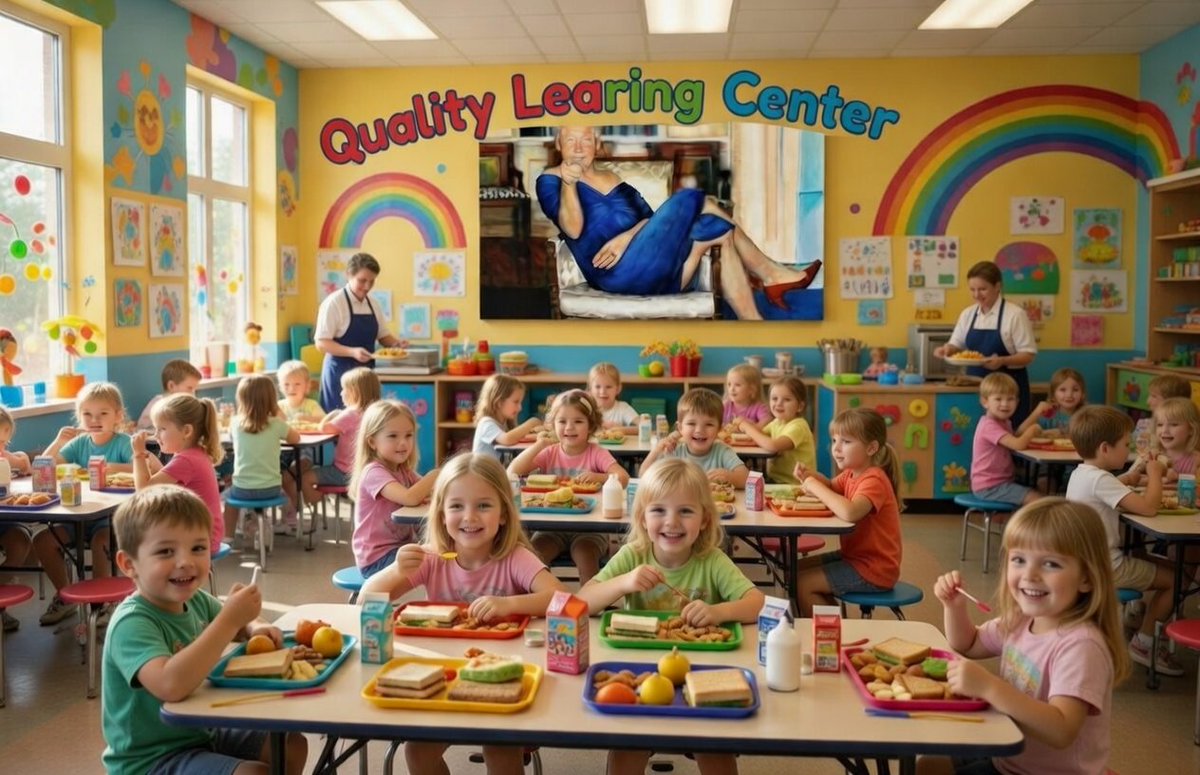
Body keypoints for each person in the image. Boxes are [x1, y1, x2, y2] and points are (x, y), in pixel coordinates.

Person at [358, 453, 565, 775]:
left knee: (501, 749)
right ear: (440, 515)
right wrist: (397, 570)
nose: (470, 517)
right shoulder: (432, 558)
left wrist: (509, 604)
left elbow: (561, 597)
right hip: (441, 678)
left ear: (504, 515)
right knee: (418, 753)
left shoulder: (514, 557)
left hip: (504, 678)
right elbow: (366, 601)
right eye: (456, 506)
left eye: (483, 505)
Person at [101, 486, 306, 775]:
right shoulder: (132, 622)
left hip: (199, 732)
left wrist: (257, 626)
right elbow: (170, 685)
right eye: (165, 551)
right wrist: (229, 620)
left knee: (290, 745)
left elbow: (239, 624)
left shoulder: (193, 599)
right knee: (253, 774)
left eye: (197, 548)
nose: (185, 561)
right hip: (150, 760)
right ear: (128, 564)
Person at [578, 457, 764, 775]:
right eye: (659, 511)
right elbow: (581, 602)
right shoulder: (634, 555)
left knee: (716, 750)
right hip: (640, 670)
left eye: (685, 511)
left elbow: (757, 602)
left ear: (705, 519)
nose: (672, 522)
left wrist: (718, 612)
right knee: (627, 750)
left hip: (704, 668)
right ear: (643, 517)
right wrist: (623, 582)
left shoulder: (712, 560)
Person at [919, 498, 1128, 775]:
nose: (1030, 574)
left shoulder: (1081, 645)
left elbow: (1062, 730)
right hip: (1009, 756)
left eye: (1051, 564)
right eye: (1019, 560)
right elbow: (968, 643)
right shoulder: (1022, 620)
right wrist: (954, 607)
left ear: (1086, 579)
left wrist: (989, 688)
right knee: (927, 761)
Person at [535, 125, 822, 320]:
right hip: (615, 276)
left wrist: (626, 238)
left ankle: (753, 322)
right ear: (559, 144)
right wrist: (569, 185)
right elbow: (572, 229)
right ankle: (771, 275)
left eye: (586, 139)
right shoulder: (550, 180)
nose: (578, 147)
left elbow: (649, 218)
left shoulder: (612, 177)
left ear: (597, 144)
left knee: (715, 226)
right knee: (691, 196)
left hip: (653, 268)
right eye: (570, 139)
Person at [1065, 405, 1180, 676]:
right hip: (1107, 567)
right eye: (1125, 445)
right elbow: (1149, 507)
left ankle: (1137, 615)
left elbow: (1120, 483)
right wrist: (1153, 474)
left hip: (1086, 563)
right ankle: (1144, 641)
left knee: (1150, 559)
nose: (1127, 451)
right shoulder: (1100, 481)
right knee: (1176, 581)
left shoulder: (1084, 474)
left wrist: (1136, 469)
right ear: (1105, 448)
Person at [35, 382, 161, 627]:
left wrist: (113, 467)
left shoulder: (123, 442)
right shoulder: (79, 443)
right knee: (42, 540)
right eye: (87, 414)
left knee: (102, 541)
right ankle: (65, 595)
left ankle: (101, 603)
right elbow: (43, 466)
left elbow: (149, 467)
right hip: (76, 514)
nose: (94, 419)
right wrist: (57, 442)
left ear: (117, 416)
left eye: (103, 413)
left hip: (112, 518)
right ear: (79, 417)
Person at [507, 389, 628, 585]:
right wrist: (540, 445)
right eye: (562, 422)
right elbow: (514, 470)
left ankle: (590, 604)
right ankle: (540, 600)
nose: (569, 427)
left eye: (578, 421)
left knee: (585, 556)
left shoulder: (596, 452)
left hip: (589, 531)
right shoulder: (549, 452)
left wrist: (599, 476)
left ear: (591, 426)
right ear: (553, 425)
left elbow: (623, 477)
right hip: (551, 529)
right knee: (532, 556)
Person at [791, 408, 903, 616]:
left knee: (802, 583)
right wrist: (810, 476)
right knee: (794, 570)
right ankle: (832, 626)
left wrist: (813, 485)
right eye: (834, 441)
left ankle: (830, 639)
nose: (837, 448)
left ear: (871, 448)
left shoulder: (873, 480)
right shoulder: (852, 474)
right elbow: (833, 487)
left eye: (846, 442)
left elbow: (850, 512)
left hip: (875, 568)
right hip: (856, 557)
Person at [935, 260, 1038, 424]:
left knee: (1009, 439)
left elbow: (1028, 355)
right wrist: (946, 349)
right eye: (972, 289)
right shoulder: (968, 314)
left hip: (1007, 392)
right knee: (976, 435)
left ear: (997, 286)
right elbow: (956, 345)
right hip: (975, 387)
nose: (976, 295)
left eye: (982, 289)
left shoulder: (1015, 314)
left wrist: (1002, 361)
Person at [350, 400, 440, 578]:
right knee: (438, 561)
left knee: (446, 552)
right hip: (377, 559)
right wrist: (436, 474)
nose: (403, 443)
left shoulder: (403, 471)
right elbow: (410, 497)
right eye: (393, 436)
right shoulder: (373, 473)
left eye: (408, 435)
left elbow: (429, 492)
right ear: (372, 442)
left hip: (399, 549)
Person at [132, 395, 225, 551]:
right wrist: (150, 461)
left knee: (142, 538)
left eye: (162, 429)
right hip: (204, 533)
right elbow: (165, 480)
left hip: (198, 539)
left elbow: (144, 491)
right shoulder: (193, 453)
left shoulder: (186, 460)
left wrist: (138, 455)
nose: (156, 435)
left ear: (187, 431)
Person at [314, 251, 404, 410]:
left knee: (368, 426)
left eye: (372, 281)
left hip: (366, 379)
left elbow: (383, 336)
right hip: (340, 378)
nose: (367, 286)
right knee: (338, 425)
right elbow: (321, 343)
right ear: (349, 275)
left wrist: (397, 344)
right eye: (362, 281)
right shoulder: (334, 303)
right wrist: (352, 352)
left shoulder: (373, 303)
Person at [288, 367, 380, 515]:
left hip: (344, 472)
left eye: (344, 389)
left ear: (354, 392)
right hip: (366, 469)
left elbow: (324, 428)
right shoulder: (375, 412)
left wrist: (333, 413)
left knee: (304, 479)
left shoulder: (351, 413)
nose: (341, 393)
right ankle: (320, 503)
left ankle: (314, 509)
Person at [227, 375, 299, 545]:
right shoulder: (276, 424)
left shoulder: (235, 423)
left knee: (229, 501)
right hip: (272, 489)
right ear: (272, 400)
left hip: (242, 489)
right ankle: (286, 518)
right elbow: (296, 439)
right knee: (283, 486)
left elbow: (230, 439)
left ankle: (228, 536)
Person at [640, 388, 749, 489]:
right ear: (680, 428)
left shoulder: (722, 451)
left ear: (719, 429)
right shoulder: (674, 451)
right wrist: (656, 450)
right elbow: (643, 475)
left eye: (709, 424)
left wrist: (730, 477)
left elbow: (746, 478)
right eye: (691, 423)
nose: (699, 430)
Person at [970, 373, 1043, 507]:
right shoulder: (989, 426)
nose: (1005, 404)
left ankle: (1013, 522)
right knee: (1037, 499)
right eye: (998, 399)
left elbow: (1016, 436)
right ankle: (1023, 527)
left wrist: (1037, 414)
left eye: (1010, 399)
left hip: (999, 482)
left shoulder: (1003, 422)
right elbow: (1018, 444)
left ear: (1017, 402)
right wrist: (1032, 431)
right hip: (990, 486)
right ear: (985, 401)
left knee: (1036, 488)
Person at [733, 376, 813, 485]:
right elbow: (759, 434)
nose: (779, 403)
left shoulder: (798, 426)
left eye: (787, 399)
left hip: (794, 484)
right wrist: (745, 424)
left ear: (800, 406)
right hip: (776, 480)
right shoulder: (777, 422)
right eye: (775, 399)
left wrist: (746, 427)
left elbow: (773, 445)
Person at [0, 407, 32, 631]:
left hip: (4, 518)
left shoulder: (5, 457)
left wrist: (12, 457)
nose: (1, 448)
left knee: (20, 540)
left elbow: (24, 463)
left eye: (4, 442)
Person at [471, 374, 543, 460]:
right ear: (499, 402)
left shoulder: (503, 423)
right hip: (484, 472)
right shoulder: (486, 424)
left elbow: (518, 438)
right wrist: (531, 423)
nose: (520, 408)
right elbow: (507, 439)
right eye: (516, 402)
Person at [1133, 374, 1193, 455]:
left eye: (1154, 396)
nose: (1148, 401)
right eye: (1160, 425)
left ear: (1172, 402)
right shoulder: (1144, 424)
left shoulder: (1187, 430)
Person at [1018, 367, 1085, 438]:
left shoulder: (1086, 415)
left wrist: (1062, 434)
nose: (1069, 394)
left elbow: (1090, 438)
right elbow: (1019, 433)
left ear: (1082, 394)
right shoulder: (1048, 415)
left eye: (1075, 390)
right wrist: (1036, 412)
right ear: (1053, 395)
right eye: (1062, 390)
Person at [136, 359, 202, 430]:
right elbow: (143, 430)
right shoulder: (159, 405)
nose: (193, 395)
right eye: (189, 388)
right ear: (171, 386)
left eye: (195, 390)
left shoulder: (183, 404)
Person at [588, 362, 638, 431]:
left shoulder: (623, 408)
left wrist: (618, 429)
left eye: (608, 387)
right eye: (598, 387)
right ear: (590, 389)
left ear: (618, 389)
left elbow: (645, 426)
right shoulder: (587, 409)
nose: (602, 391)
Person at [275, 359, 325, 423]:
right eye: (286, 384)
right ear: (280, 386)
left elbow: (325, 421)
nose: (292, 389)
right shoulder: (279, 406)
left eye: (297, 384)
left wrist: (308, 418)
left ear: (307, 386)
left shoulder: (311, 405)